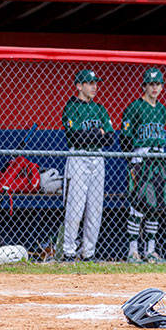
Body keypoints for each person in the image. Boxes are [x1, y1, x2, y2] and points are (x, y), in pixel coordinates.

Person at [121, 67, 166, 263]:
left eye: (158, 84)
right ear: (144, 86)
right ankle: (133, 251)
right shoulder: (135, 107)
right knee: (137, 205)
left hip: (158, 159)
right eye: (151, 84)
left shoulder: (161, 109)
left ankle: (151, 250)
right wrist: (133, 162)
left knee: (155, 205)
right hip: (141, 158)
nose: (155, 88)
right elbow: (125, 139)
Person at [60, 69, 115, 262]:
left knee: (95, 207)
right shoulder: (71, 106)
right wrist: (97, 133)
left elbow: (110, 137)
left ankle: (88, 252)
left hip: (97, 157)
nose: (94, 87)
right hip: (78, 156)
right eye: (90, 83)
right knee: (75, 206)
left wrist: (98, 135)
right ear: (79, 86)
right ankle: (69, 251)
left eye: (95, 83)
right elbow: (74, 136)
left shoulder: (100, 108)